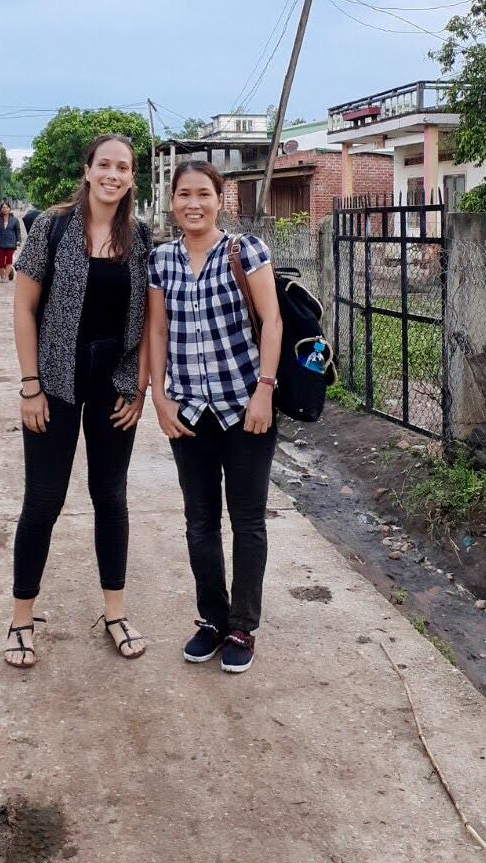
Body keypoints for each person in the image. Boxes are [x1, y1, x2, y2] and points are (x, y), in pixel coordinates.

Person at [5, 134, 151, 669]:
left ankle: (114, 612)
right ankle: (22, 618)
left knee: (110, 497)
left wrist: (139, 388)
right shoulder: (52, 226)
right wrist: (30, 386)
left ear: (132, 178)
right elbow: (24, 310)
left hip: (114, 383)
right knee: (43, 501)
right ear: (88, 170)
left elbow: (149, 322)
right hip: (56, 383)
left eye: (124, 168)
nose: (113, 174)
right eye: (105, 165)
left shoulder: (140, 238)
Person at [147, 161, 283, 675]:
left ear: (219, 200)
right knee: (199, 521)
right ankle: (212, 619)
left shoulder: (244, 250)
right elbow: (157, 332)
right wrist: (159, 398)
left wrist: (264, 391)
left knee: (247, 521)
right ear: (172, 201)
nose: (193, 204)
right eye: (184, 194)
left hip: (244, 408)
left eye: (203, 194)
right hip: (189, 412)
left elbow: (271, 320)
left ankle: (242, 626)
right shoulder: (162, 261)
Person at [0, 201, 22, 282]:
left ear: (10, 209)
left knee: (9, 260)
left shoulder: (15, 220)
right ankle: (2, 277)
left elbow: (18, 231)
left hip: (11, 243)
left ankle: (6, 277)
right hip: (0, 243)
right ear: (0, 209)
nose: (5, 209)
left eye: (7, 207)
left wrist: (18, 240)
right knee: (0, 261)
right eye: (3, 207)